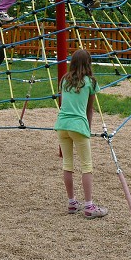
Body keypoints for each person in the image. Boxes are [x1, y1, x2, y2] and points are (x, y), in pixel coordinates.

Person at [54, 49, 108, 219]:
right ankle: (89, 206)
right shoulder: (91, 82)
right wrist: (88, 130)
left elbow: (64, 102)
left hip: (62, 125)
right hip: (78, 125)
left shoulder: (64, 80)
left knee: (67, 164)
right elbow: (89, 110)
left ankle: (72, 202)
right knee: (87, 166)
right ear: (88, 63)